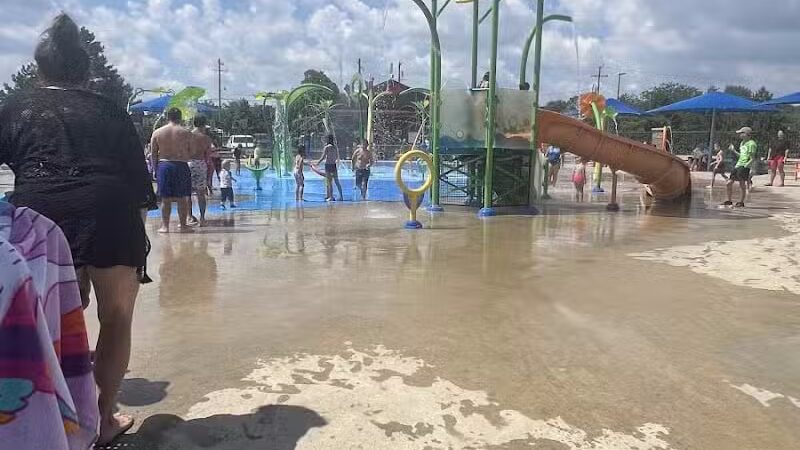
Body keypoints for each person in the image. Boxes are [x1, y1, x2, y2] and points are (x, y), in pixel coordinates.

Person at [0, 14, 156, 445]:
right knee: (117, 317)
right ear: (85, 72)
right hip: (111, 211)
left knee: (49, 319)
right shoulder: (110, 110)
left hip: (40, 215)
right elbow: (139, 185)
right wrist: (135, 246)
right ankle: (102, 421)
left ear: (40, 68)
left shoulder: (15, 108)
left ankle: (55, 420)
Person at [151, 107, 193, 233]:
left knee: (166, 199)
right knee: (182, 198)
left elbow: (153, 153)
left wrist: (154, 169)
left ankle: (165, 226)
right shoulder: (186, 133)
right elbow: (192, 151)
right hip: (181, 165)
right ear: (180, 117)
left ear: (167, 117)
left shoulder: (157, 132)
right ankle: (183, 225)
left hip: (164, 165)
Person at [188, 115, 212, 226]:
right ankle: (202, 218)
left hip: (188, 163)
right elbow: (208, 157)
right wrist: (209, 175)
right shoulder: (206, 139)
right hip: (200, 163)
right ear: (204, 124)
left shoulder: (187, 136)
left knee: (187, 193)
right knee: (201, 193)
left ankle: (189, 217)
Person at [724, 127, 757, 207]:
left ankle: (741, 202)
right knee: (729, 183)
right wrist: (734, 150)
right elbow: (741, 155)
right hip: (738, 165)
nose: (739, 135)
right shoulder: (742, 143)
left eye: (741, 133)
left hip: (744, 166)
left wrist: (747, 166)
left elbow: (752, 158)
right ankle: (729, 200)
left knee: (741, 183)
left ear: (746, 134)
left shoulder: (752, 144)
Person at [317, 134, 343, 202]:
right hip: (333, 165)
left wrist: (317, 163)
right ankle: (341, 196)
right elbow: (336, 157)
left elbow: (323, 157)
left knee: (329, 182)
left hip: (328, 165)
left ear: (328, 139)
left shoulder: (327, 147)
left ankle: (331, 197)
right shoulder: (335, 147)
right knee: (337, 181)